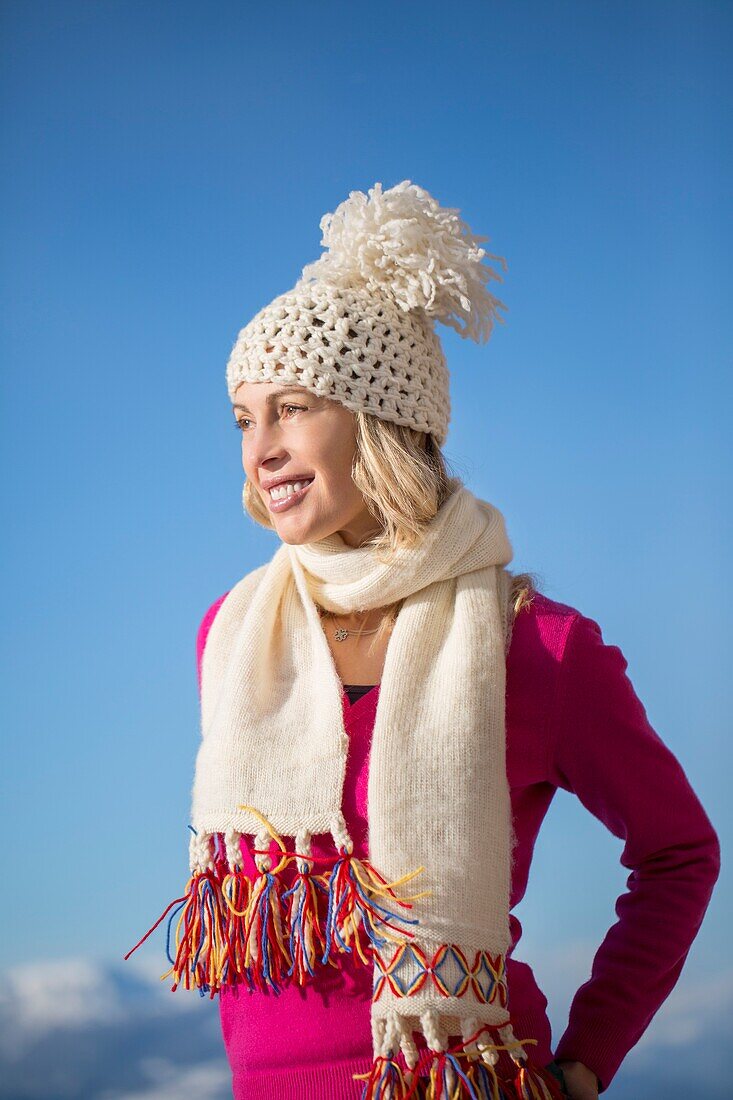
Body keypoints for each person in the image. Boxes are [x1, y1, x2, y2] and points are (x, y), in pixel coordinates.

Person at [126, 181, 720, 1100]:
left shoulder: (538, 647)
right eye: (244, 418)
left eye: (291, 408)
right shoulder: (234, 634)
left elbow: (679, 852)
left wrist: (585, 1060)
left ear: (376, 421)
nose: (260, 449)